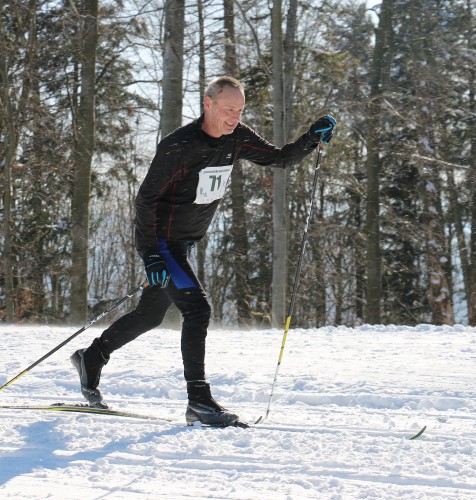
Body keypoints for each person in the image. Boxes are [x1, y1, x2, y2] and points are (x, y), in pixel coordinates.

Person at [71, 76, 336, 426]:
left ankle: (92, 357)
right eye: (228, 110)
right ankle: (199, 399)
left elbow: (280, 159)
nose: (234, 118)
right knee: (197, 310)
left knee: (150, 315)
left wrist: (310, 140)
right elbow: (145, 200)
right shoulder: (178, 146)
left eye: (239, 111)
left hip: (184, 242)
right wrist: (150, 253)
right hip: (163, 243)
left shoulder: (237, 135)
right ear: (208, 104)